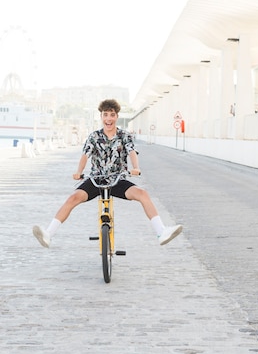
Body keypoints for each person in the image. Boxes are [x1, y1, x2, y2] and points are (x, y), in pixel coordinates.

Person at [32, 98, 183, 248]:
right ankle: (48, 234)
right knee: (73, 198)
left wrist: (136, 168)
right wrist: (79, 172)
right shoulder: (94, 136)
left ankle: (161, 231)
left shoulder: (125, 136)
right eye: (105, 115)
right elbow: (85, 155)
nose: (108, 118)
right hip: (96, 179)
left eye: (112, 115)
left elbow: (131, 152)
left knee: (142, 194)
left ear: (117, 116)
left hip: (118, 179)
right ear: (101, 117)